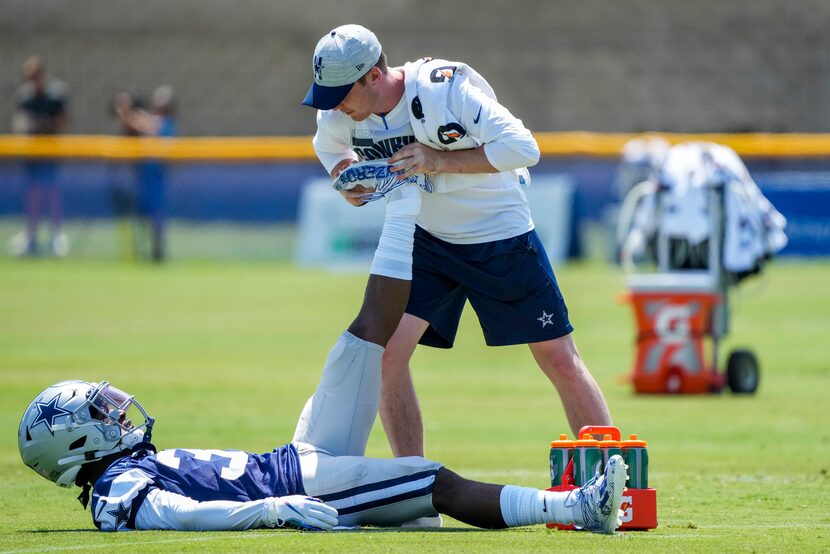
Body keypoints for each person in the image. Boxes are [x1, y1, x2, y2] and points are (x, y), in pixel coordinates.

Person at [302, 24, 612, 462]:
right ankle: (413, 487)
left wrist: (438, 160)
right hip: (429, 242)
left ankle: (614, 477)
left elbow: (524, 148)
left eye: (340, 92)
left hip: (499, 236)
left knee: (558, 357)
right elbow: (330, 148)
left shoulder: (443, 91)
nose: (333, 104)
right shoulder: (338, 113)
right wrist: (345, 179)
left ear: (373, 74)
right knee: (387, 355)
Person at [17, 376, 625, 532]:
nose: (118, 417)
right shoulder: (113, 493)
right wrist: (273, 508)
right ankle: (574, 506)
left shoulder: (121, 473)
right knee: (430, 478)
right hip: (299, 486)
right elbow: (179, 516)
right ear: (73, 442)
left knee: (355, 362)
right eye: (101, 416)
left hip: (288, 464)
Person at [9, 56, 69, 257]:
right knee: (32, 195)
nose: (32, 80)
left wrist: (42, 125)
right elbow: (19, 121)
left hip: (50, 152)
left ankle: (56, 236)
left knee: (51, 193)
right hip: (32, 153)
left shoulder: (55, 94)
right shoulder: (25, 95)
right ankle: (31, 236)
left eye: (34, 76)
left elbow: (62, 120)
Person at [114, 85, 177, 262]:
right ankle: (138, 251)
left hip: (156, 177)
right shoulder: (150, 120)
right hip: (141, 176)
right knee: (139, 215)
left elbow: (151, 127)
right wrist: (128, 114)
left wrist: (129, 114)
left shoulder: (167, 124)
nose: (158, 107)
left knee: (155, 216)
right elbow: (140, 127)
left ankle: (157, 251)